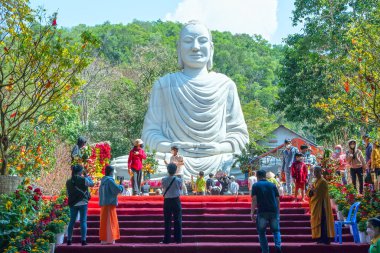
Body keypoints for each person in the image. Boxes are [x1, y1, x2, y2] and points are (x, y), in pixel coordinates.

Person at [142, 20, 249, 178]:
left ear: (211, 48)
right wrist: (174, 147)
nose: (195, 47)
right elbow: (149, 136)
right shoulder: (164, 84)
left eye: (202, 41)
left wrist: (217, 148)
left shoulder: (226, 85)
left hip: (217, 157)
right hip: (174, 158)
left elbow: (241, 137)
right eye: (188, 41)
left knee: (243, 163)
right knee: (138, 163)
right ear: (179, 48)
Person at [251, 170, 281, 253]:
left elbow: (254, 200)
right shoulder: (272, 185)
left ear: (257, 176)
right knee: (276, 231)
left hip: (262, 211)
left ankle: (265, 251)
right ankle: (278, 247)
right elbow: (278, 199)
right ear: (265, 176)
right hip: (273, 211)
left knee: (261, 232)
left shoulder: (255, 185)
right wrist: (277, 212)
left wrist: (252, 213)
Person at [66, 164, 94, 246]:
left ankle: (69, 240)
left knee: (72, 221)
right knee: (83, 221)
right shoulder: (83, 179)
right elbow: (92, 184)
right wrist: (88, 178)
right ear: (80, 172)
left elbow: (68, 193)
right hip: (83, 202)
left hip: (73, 203)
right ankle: (83, 240)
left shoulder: (68, 181)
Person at [308, 166, 335, 244]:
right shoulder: (316, 181)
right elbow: (310, 191)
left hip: (323, 205)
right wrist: (311, 191)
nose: (315, 173)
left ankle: (325, 239)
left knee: (323, 222)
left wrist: (312, 191)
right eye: (314, 172)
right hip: (317, 205)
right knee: (320, 222)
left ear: (321, 172)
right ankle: (319, 238)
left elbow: (318, 194)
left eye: (317, 172)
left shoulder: (323, 182)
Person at [99, 165, 124, 245]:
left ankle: (104, 239)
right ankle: (109, 239)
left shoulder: (102, 181)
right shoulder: (110, 181)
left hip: (104, 204)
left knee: (104, 222)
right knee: (111, 222)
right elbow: (117, 190)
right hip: (110, 204)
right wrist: (121, 185)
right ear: (111, 172)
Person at [161, 163, 183, 244]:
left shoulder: (163, 179)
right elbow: (179, 188)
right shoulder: (179, 180)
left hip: (167, 201)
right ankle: (178, 239)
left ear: (167, 170)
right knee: (178, 220)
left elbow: (163, 187)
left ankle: (167, 240)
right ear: (176, 170)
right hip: (176, 200)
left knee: (167, 220)